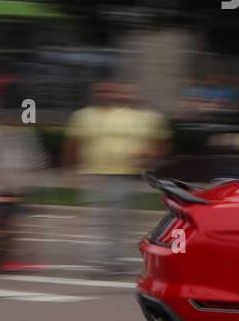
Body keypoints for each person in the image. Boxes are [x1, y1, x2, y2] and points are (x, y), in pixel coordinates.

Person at [64, 82, 169, 274]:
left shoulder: (131, 116)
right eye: (101, 92)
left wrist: (149, 156)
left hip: (124, 174)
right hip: (95, 174)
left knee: (120, 221)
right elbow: (73, 144)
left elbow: (157, 143)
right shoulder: (84, 116)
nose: (106, 95)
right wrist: (70, 169)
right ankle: (98, 260)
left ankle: (114, 260)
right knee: (98, 219)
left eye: (109, 91)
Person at [0, 109, 48, 270]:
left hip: (3, 192)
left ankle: (0, 255)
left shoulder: (7, 138)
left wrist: (17, 187)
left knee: (4, 226)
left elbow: (12, 168)